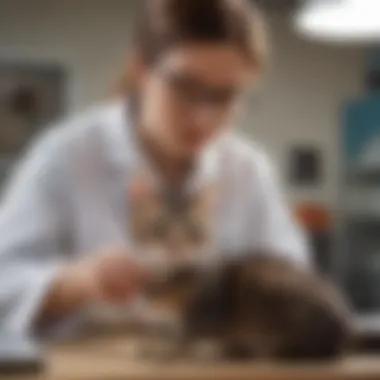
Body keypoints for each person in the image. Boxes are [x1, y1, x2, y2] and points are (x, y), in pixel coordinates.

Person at [0, 0, 309, 340]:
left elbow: (295, 283)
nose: (204, 116)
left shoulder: (247, 170)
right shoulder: (66, 155)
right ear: (140, 70)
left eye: (226, 96)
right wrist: (78, 281)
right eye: (185, 88)